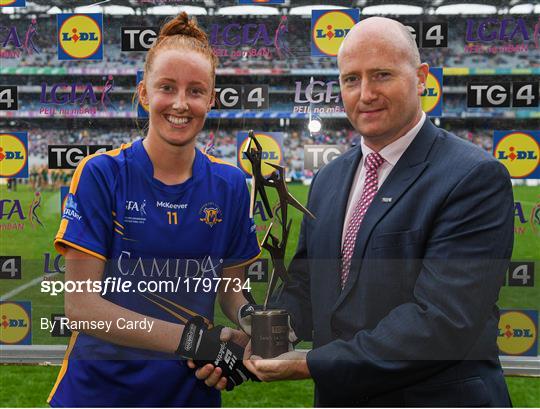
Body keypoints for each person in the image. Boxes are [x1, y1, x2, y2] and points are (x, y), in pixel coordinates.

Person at [202, 16, 515, 407]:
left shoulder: (474, 177)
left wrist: (311, 364)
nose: (365, 93)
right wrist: (262, 336)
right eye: (351, 79)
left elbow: (442, 321)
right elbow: (305, 285)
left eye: (382, 75)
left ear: (420, 78)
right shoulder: (329, 178)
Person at [48, 12, 261, 407]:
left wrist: (253, 324)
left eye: (196, 91)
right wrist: (196, 341)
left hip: (188, 395)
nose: (181, 103)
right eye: (167, 87)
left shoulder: (231, 185)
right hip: (96, 395)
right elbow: (81, 307)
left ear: (211, 100)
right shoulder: (102, 174)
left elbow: (230, 287)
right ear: (144, 92)